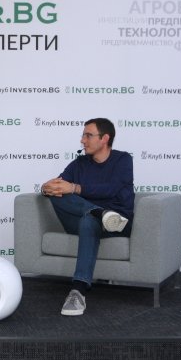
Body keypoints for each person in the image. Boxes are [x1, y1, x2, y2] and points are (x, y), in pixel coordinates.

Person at [40, 118, 134, 316]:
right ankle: (98, 212)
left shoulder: (123, 160)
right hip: (85, 218)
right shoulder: (79, 163)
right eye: (83, 135)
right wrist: (46, 188)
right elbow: (59, 185)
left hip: (117, 222)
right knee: (60, 197)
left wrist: (74, 188)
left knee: (87, 221)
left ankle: (78, 291)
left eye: (88, 135)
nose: (82, 140)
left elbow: (111, 189)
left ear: (104, 138)